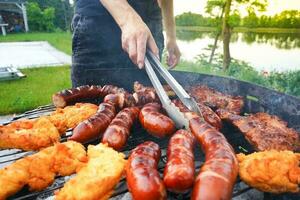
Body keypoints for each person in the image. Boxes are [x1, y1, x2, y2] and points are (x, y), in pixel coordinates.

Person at [72, 0, 181, 87]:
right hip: (99, 18)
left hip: (150, 23)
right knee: (89, 106)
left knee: (150, 100)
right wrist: (127, 18)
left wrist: (171, 37)